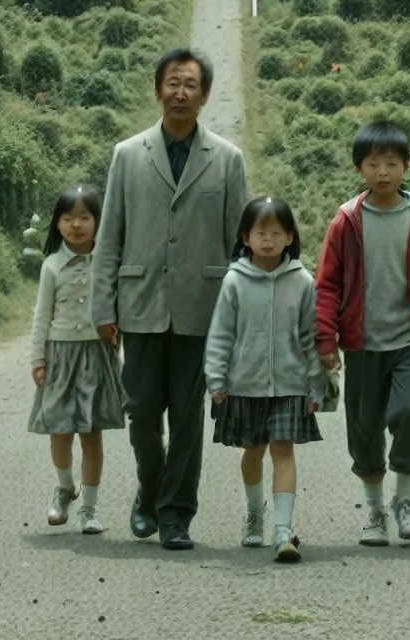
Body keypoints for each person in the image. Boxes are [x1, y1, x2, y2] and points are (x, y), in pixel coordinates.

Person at [91, 48, 249, 551]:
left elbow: (237, 242)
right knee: (140, 410)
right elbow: (110, 235)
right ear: (157, 90)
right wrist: (103, 306)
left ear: (204, 96)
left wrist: (237, 314)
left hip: (202, 309)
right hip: (139, 304)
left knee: (186, 417)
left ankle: (176, 514)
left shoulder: (227, 159)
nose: (181, 93)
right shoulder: (127, 154)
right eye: (172, 84)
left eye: (191, 86)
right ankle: (150, 488)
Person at [314, 120, 410, 547]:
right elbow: (327, 285)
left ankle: (405, 501)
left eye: (392, 163)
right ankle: (375, 510)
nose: (383, 172)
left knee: (409, 414)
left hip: (408, 343)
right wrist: (326, 340)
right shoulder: (347, 220)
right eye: (374, 164)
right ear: (360, 169)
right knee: (364, 426)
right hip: (361, 344)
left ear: (406, 166)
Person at [204, 196, 325, 563]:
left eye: (276, 232)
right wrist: (216, 378)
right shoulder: (234, 281)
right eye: (260, 232)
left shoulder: (303, 281)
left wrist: (317, 383)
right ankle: (255, 514)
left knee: (283, 449)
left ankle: (283, 530)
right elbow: (221, 333)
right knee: (253, 451)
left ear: (290, 236)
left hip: (290, 384)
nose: (268, 239)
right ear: (246, 237)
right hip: (245, 383)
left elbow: (311, 335)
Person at [28, 186, 126, 534]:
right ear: (57, 224)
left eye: (85, 217)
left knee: (91, 432)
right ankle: (64, 487)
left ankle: (89, 509)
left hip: (97, 355)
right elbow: (42, 315)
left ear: (99, 222)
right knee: (60, 429)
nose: (76, 225)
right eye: (68, 218)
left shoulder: (110, 263)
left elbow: (121, 310)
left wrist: (117, 341)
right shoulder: (52, 266)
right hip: (60, 355)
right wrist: (37, 359)